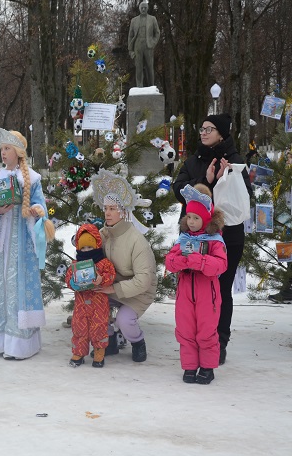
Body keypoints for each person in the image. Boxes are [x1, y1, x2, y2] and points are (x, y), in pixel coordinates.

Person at [172, 113, 252, 364]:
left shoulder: (235, 161)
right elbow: (178, 190)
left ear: (222, 133)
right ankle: (195, 340)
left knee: (221, 289)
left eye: (210, 129)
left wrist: (224, 182)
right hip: (193, 236)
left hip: (227, 237)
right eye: (202, 128)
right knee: (194, 288)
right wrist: (205, 182)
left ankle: (220, 340)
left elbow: (244, 198)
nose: (204, 133)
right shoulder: (194, 160)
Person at [0, 128, 53, 360]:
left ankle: (19, 343)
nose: (3, 153)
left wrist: (36, 212)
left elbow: (44, 211)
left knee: (17, 288)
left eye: (7, 148)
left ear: (18, 152)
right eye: (1, 149)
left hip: (21, 245)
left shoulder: (33, 179)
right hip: (0, 245)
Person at [90, 169, 158, 363]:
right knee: (97, 307)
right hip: (113, 286)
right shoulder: (104, 234)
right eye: (105, 208)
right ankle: (109, 341)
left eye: (112, 209)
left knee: (124, 320)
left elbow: (144, 280)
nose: (107, 213)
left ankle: (138, 341)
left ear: (123, 211)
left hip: (139, 291)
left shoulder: (137, 241)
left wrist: (114, 288)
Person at [165, 184, 228, 384]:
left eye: (196, 218)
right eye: (189, 217)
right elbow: (170, 262)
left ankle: (208, 367)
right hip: (185, 292)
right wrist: (182, 261)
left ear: (206, 219)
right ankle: (190, 366)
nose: (191, 222)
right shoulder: (182, 239)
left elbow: (221, 265)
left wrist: (199, 261)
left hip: (206, 293)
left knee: (206, 330)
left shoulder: (215, 240)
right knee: (185, 329)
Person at [66, 224, 116, 368]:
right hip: (82, 303)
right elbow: (68, 279)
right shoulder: (76, 264)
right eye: (83, 248)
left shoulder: (103, 263)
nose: (86, 251)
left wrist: (102, 279)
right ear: (78, 248)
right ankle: (79, 352)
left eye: (90, 247)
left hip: (99, 302)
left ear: (96, 245)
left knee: (99, 327)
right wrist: (73, 282)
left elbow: (111, 275)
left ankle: (99, 352)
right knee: (79, 327)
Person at [128, 0, 161, 88]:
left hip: (148, 45)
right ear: (139, 9)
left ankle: (151, 86)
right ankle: (139, 86)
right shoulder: (134, 20)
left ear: (147, 9)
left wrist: (153, 43)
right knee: (138, 67)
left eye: (145, 8)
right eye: (142, 8)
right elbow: (130, 36)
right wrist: (130, 50)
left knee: (150, 67)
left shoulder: (152, 19)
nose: (143, 9)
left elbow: (157, 32)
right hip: (137, 45)